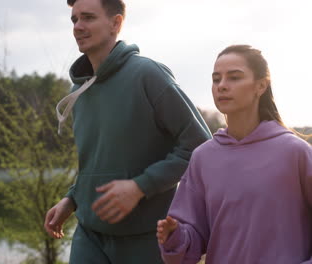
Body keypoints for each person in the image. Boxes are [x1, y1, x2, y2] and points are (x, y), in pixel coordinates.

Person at [43, 0, 212, 263]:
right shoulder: (77, 93)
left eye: (88, 17)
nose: (78, 27)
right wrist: (72, 199)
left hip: (146, 239)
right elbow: (96, 161)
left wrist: (139, 187)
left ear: (116, 23)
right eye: (74, 20)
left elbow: (200, 146)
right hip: (89, 236)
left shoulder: (147, 75)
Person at [157, 45, 312, 263]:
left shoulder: (295, 152)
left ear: (261, 86)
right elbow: (192, 240)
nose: (222, 86)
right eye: (216, 79)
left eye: (234, 78)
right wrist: (174, 236)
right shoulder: (204, 158)